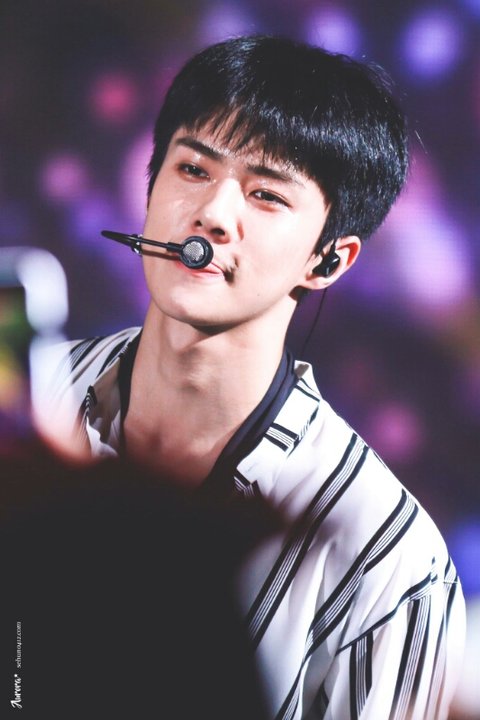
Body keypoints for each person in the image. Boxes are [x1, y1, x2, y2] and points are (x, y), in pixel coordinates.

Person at [46, 36, 465, 719]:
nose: (213, 214)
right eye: (192, 169)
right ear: (150, 186)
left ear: (329, 261)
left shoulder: (386, 557)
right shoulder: (29, 406)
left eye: (266, 194)